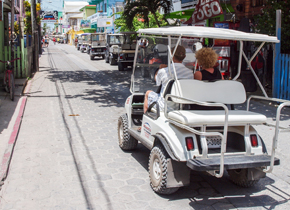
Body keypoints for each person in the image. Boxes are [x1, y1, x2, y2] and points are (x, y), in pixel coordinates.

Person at [143, 45, 194, 113]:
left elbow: (157, 81)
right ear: (184, 56)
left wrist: (159, 69)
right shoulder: (190, 73)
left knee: (148, 93)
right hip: (181, 106)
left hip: (163, 106)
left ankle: (145, 118)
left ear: (171, 56)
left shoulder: (164, 71)